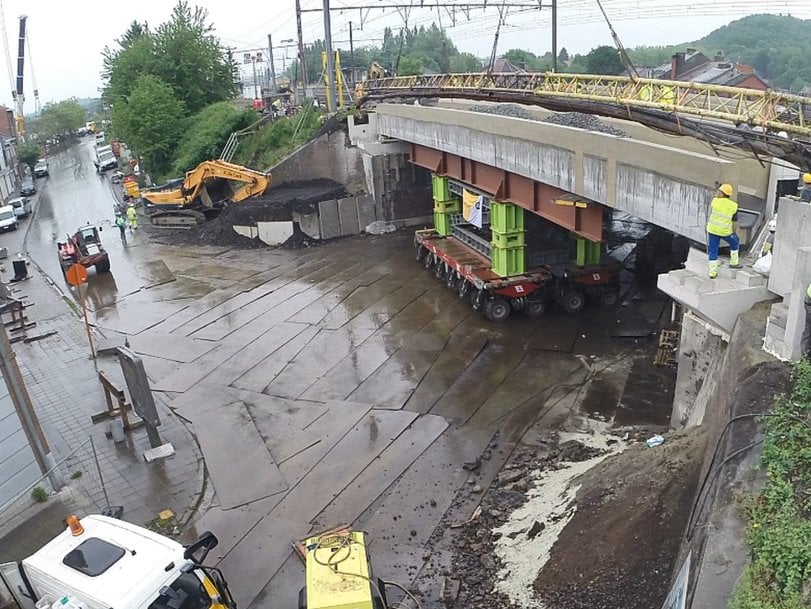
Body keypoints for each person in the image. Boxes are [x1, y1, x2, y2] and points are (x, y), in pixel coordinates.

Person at [706, 183, 741, 279]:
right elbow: (735, 222)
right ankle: (734, 262)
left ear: (722, 193)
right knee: (735, 241)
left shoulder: (715, 201)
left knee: (713, 251)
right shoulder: (734, 206)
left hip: (712, 230)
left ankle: (712, 273)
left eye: (719, 191)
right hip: (725, 231)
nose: (717, 192)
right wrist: (734, 232)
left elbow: (715, 200)